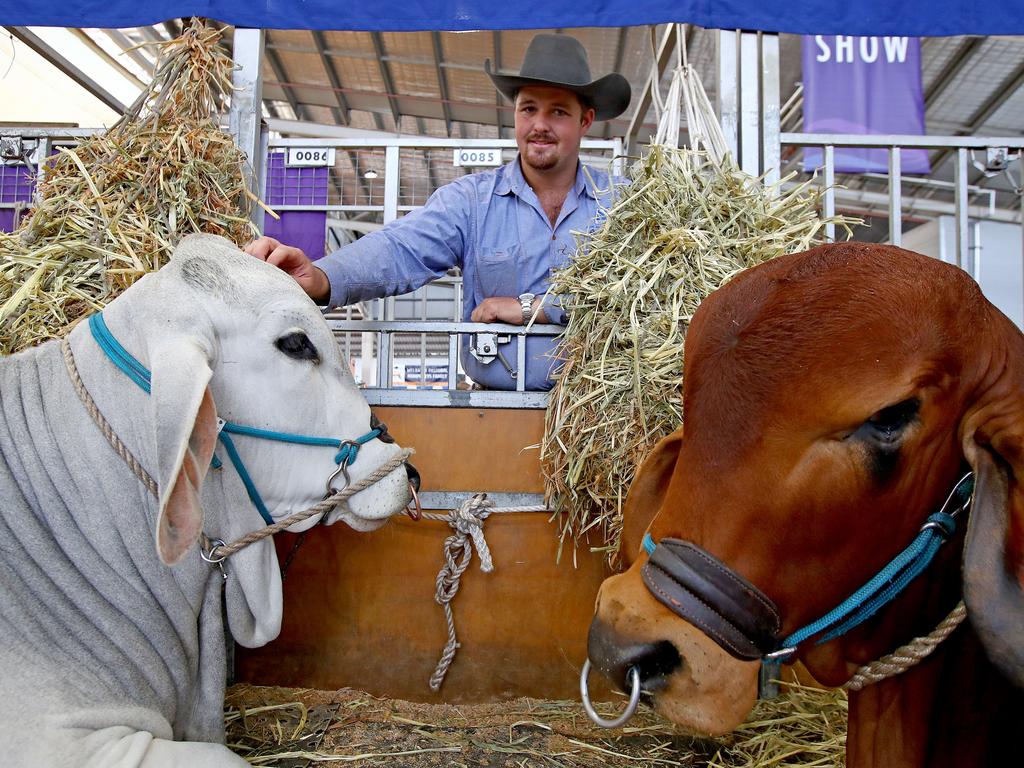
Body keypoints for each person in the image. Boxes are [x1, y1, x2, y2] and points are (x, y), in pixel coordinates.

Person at [246, 33, 631, 390]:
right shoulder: (470, 202)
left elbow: (645, 300)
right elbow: (400, 249)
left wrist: (538, 308)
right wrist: (322, 276)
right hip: (495, 412)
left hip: (603, 417)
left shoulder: (625, 204)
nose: (539, 125)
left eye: (559, 112)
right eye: (528, 108)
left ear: (585, 120)